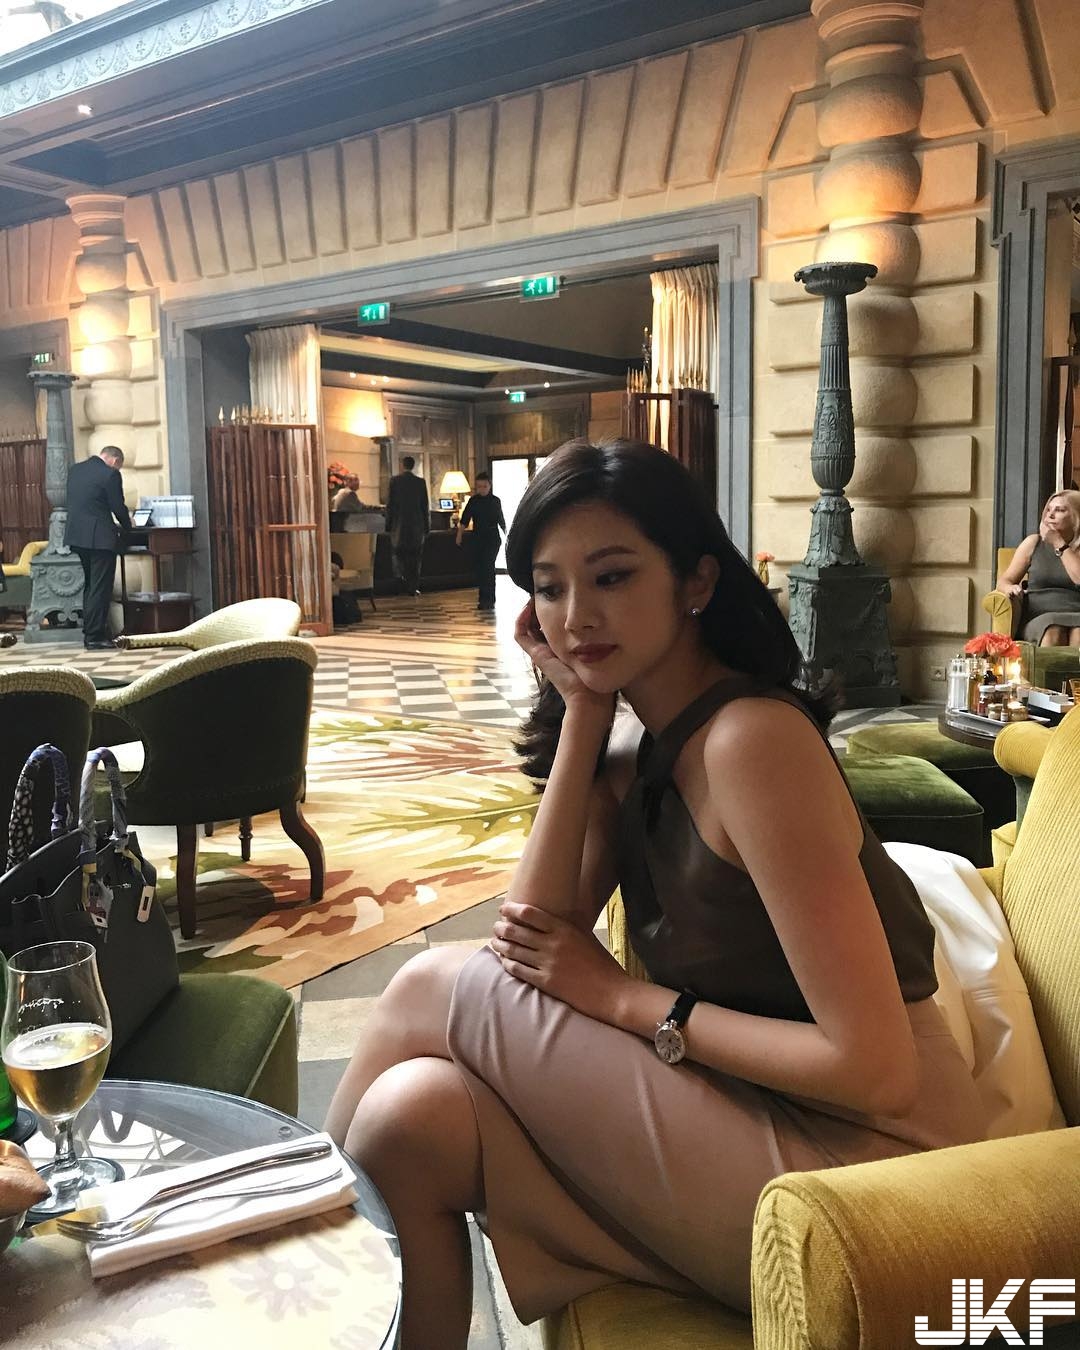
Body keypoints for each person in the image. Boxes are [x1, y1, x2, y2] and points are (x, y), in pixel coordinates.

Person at [326, 439, 984, 1349]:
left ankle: (281, 1249)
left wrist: (625, 999)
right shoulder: (637, 744)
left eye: (612, 576)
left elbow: (875, 1067)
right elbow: (533, 939)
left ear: (696, 581)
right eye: (549, 588)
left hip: (877, 1175)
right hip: (744, 1112)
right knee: (408, 1121)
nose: (575, 617)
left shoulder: (752, 742)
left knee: (433, 986)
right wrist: (584, 717)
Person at [64, 445, 131, 651]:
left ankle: (90, 632)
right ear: (115, 461)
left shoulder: (76, 470)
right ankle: (95, 636)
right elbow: (118, 507)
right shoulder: (110, 474)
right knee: (100, 588)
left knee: (90, 586)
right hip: (100, 539)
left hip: (77, 536)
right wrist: (129, 526)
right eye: (118, 466)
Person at [997, 489, 1080, 646]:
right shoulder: (1033, 543)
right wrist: (1009, 588)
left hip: (1077, 614)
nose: (1050, 515)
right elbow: (1004, 580)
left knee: (1079, 634)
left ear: (1076, 517)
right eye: (1048, 509)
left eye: (1059, 510)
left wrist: (1059, 543)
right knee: (1053, 630)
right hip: (1039, 616)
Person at [456, 470, 505, 611]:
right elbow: (465, 519)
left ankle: (489, 599)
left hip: (492, 538)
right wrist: (459, 535)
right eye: (479, 487)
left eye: (485, 486)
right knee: (480, 569)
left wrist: (508, 535)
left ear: (490, 486)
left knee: (488, 567)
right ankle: (483, 598)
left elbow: (501, 519)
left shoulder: (495, 501)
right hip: (477, 538)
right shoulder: (474, 501)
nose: (482, 489)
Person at [384, 456, 429, 595]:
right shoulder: (420, 482)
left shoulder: (394, 481)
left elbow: (390, 505)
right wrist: (427, 526)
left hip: (399, 526)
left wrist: (388, 525)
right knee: (415, 559)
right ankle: (413, 587)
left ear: (402, 465)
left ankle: (400, 586)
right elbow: (424, 506)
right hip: (416, 526)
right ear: (413, 466)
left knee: (399, 557)